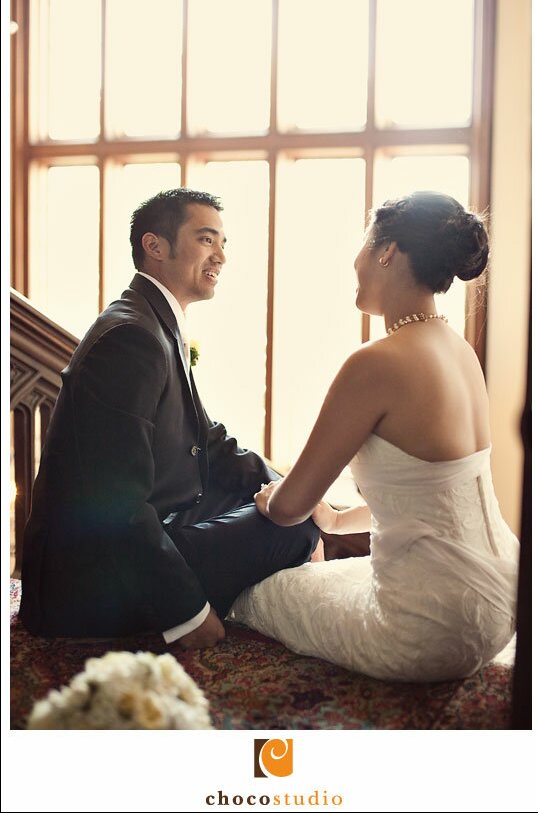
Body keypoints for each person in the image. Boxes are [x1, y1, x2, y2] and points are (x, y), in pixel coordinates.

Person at [232, 191, 519, 683]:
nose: (357, 258)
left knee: (250, 595)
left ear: (386, 251)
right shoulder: (460, 352)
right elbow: (432, 495)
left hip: (429, 627)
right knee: (327, 579)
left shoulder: (375, 362)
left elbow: (287, 509)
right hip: (503, 599)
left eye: (364, 242)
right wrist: (337, 519)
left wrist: (267, 497)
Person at [20, 188, 319, 649]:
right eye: (206, 239)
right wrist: (188, 613)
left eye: (223, 242)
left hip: (149, 526)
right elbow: (116, 503)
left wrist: (290, 489)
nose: (220, 254)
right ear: (154, 246)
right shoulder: (131, 338)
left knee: (288, 509)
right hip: (85, 585)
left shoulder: (153, 321)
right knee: (294, 527)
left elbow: (210, 441)